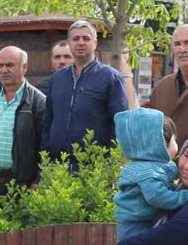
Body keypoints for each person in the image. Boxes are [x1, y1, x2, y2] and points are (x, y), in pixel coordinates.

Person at [108, 108, 188, 245]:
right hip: (136, 223)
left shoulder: (144, 166)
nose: (177, 145)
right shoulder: (148, 171)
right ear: (158, 144)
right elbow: (157, 198)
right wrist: (184, 196)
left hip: (135, 222)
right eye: (174, 140)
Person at [42, 19, 128, 159]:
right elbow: (48, 122)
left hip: (94, 168)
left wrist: (110, 162)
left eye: (86, 38)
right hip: (58, 165)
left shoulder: (111, 78)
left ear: (95, 43)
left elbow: (120, 125)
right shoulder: (57, 79)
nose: (81, 42)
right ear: (69, 43)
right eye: (76, 39)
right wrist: (46, 156)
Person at [0, 46, 47, 195]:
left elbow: (45, 146)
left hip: (20, 184)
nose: (3, 70)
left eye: (9, 65)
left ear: (24, 67)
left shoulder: (38, 102)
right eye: (0, 65)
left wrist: (37, 180)